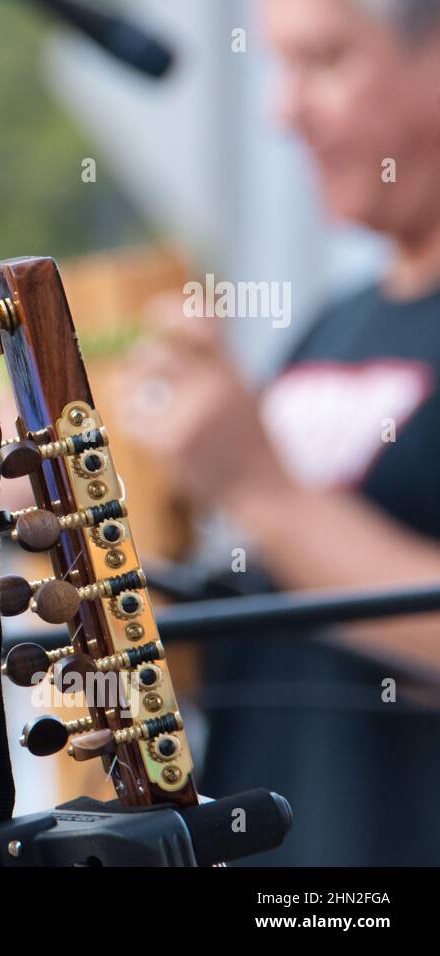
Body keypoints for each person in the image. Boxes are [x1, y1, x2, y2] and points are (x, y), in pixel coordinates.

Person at [119, 0, 440, 864]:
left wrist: (260, 487)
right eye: (279, 67)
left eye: (326, 62)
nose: (282, 110)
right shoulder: (333, 325)